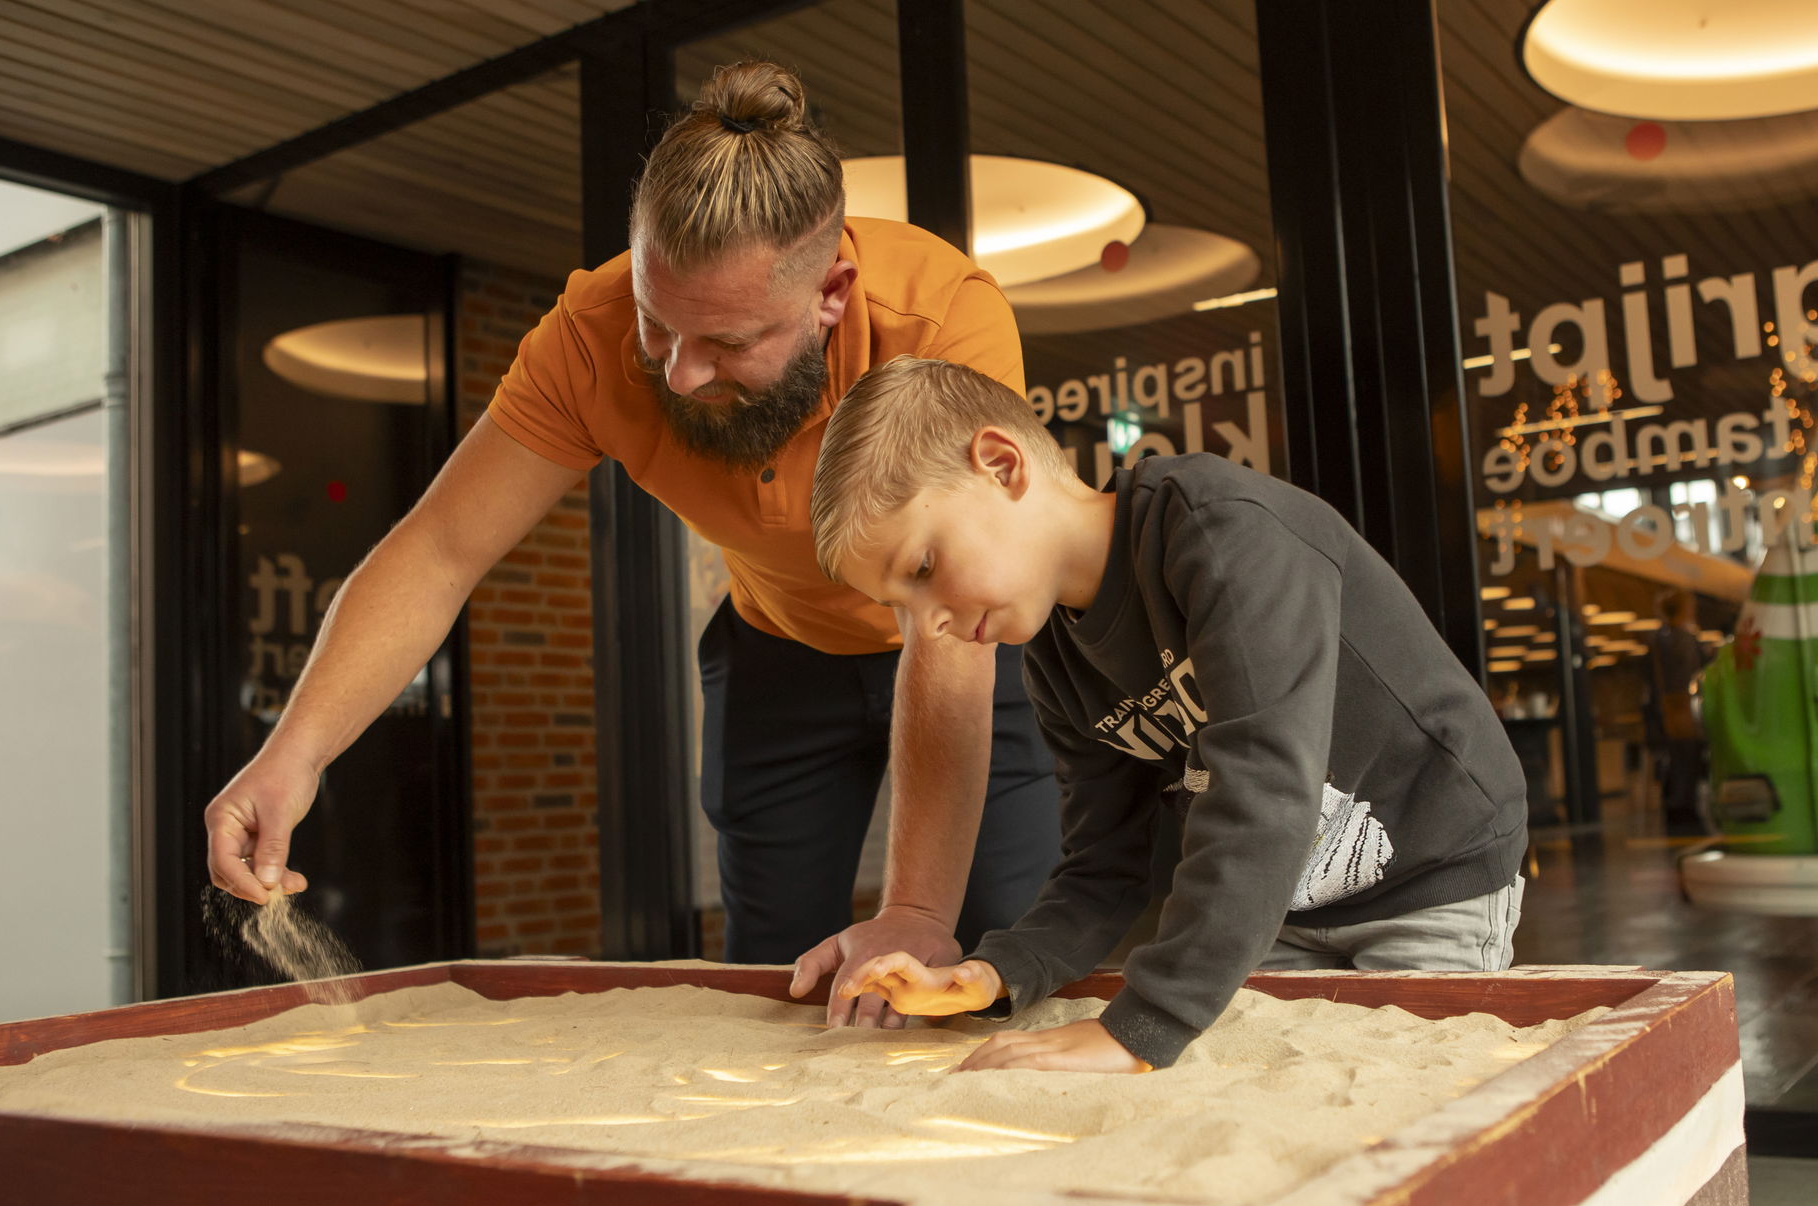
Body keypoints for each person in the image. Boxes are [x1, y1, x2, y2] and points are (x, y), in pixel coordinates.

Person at [203, 61, 1059, 1027]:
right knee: (781, 982)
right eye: (661, 328)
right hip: (778, 659)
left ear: (832, 290)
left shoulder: (941, 316)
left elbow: (953, 621)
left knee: (996, 955)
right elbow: (441, 548)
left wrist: (911, 908)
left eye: (729, 343)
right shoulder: (588, 338)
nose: (684, 374)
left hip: (963, 648)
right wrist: (295, 752)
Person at [811, 356, 1530, 1072]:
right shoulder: (1056, 665)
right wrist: (997, 972)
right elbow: (1104, 865)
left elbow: (1267, 787)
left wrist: (1140, 1025)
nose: (926, 626)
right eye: (900, 607)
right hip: (1286, 908)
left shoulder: (1218, 530)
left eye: (925, 567)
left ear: (1002, 465)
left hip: (1435, 873)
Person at [1647, 590, 1708, 833]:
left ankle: (1677, 805)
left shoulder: (1660, 638)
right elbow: (1689, 675)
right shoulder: (1682, 639)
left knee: (1678, 758)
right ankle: (1684, 807)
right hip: (1682, 708)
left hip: (1669, 709)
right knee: (1687, 758)